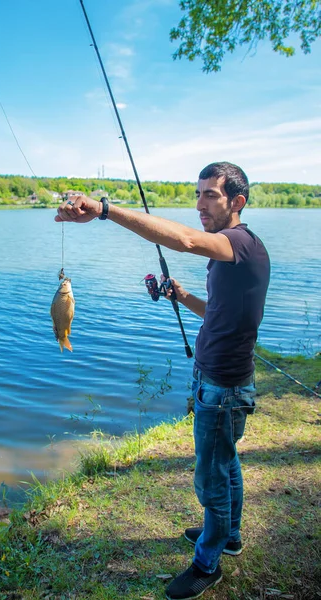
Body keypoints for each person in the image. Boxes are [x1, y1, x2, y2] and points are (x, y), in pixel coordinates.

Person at [55, 162, 270, 600]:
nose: (199, 204)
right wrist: (182, 295)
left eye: (211, 195)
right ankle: (228, 535)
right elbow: (218, 315)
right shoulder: (229, 253)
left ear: (237, 202)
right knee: (225, 463)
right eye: (198, 194)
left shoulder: (240, 243)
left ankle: (207, 564)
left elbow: (185, 239)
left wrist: (104, 209)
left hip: (224, 388)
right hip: (218, 379)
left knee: (210, 477)